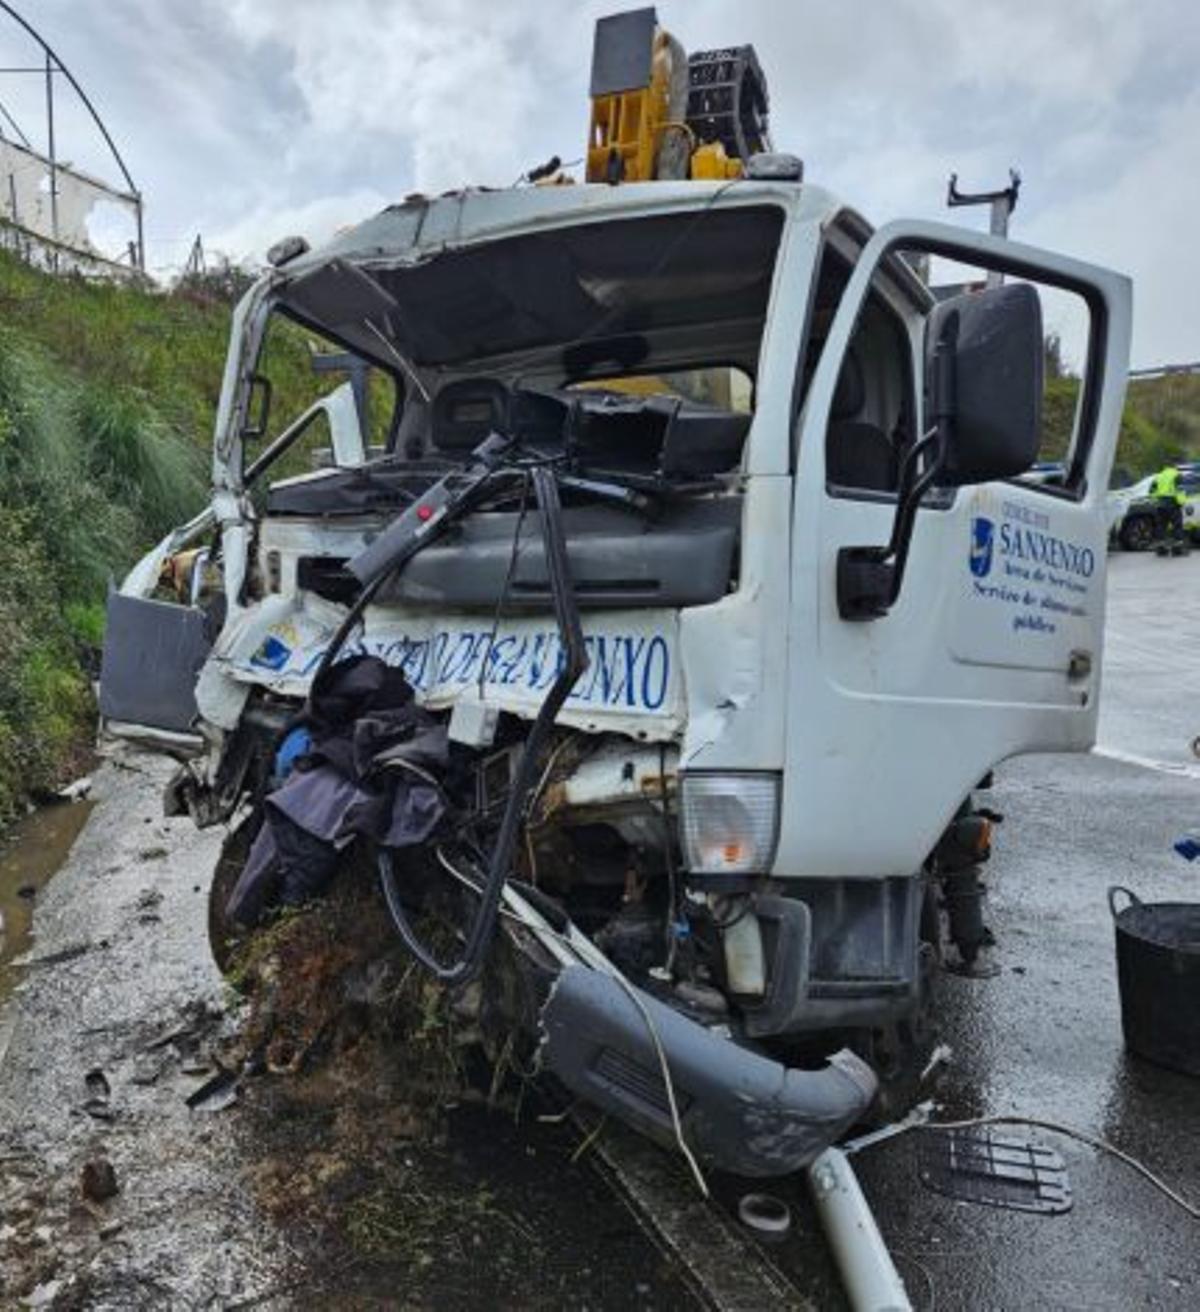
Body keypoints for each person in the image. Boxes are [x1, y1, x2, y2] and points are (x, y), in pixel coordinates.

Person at [1149, 463, 1187, 555]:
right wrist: (1182, 502)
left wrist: (1156, 501)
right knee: (1177, 525)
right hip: (1172, 503)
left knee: (1161, 526)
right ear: (1175, 466)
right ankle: (1177, 549)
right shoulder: (1177, 475)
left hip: (1160, 504)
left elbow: (1152, 491)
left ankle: (1161, 549)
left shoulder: (1159, 476)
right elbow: (1180, 490)